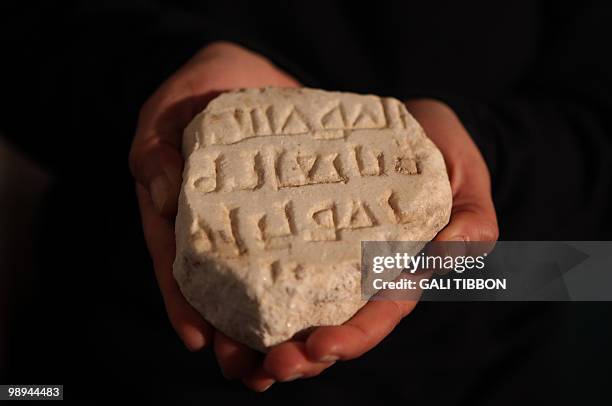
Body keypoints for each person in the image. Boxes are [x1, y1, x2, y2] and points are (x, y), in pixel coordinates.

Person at [2, 1, 611, 402]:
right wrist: (158, 80)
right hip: (124, 327)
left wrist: (486, 156)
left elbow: (593, 203)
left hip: (496, 307)